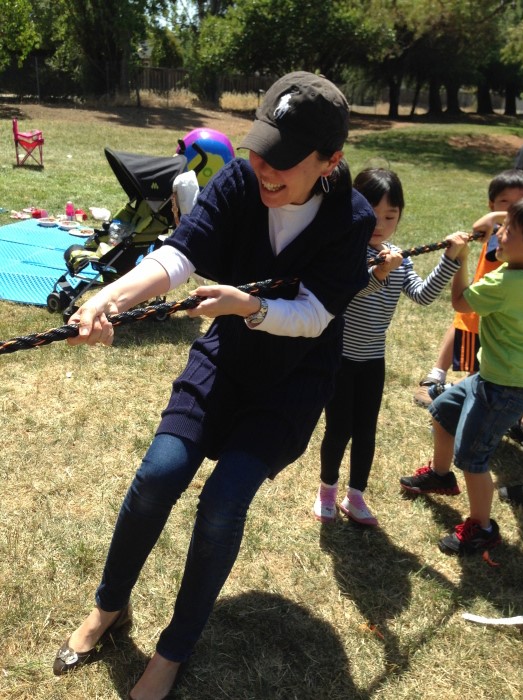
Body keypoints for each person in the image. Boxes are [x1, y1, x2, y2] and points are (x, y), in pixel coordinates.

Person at [51, 71, 376, 700]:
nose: (264, 168)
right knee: (157, 475)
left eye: (284, 159)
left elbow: (313, 316)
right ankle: (109, 607)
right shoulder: (239, 182)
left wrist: (248, 307)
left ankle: (173, 651)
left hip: (292, 381)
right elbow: (181, 252)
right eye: (261, 149)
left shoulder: (351, 217)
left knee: (224, 501)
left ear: (330, 161)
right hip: (226, 358)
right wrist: (111, 296)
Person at [312, 168, 467, 526]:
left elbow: (423, 295)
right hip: (339, 358)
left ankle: (356, 495)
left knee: (366, 431)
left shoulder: (399, 258)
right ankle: (327, 491)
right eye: (371, 214)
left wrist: (450, 259)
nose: (379, 224)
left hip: (372, 360)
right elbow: (348, 293)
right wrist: (379, 274)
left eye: (390, 216)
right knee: (339, 429)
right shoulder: (345, 252)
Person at [400, 201, 523, 555]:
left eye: (508, 232)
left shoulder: (505, 283)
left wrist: (462, 259)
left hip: (500, 389)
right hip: (491, 377)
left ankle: (482, 528)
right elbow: (500, 228)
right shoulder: (516, 271)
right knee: (442, 412)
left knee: (473, 459)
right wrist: (499, 219)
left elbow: (459, 301)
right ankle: (440, 476)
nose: (499, 235)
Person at [413, 169, 523, 407]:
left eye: (519, 204)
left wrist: (494, 216)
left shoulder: (511, 239)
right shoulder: (504, 235)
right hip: (483, 298)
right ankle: (439, 376)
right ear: (491, 202)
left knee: (483, 368)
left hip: (494, 301)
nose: (511, 212)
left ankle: (448, 388)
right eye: (505, 203)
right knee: (463, 327)